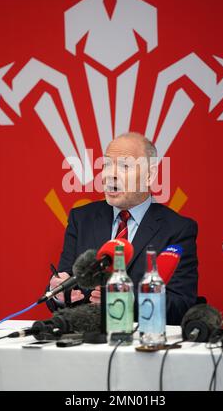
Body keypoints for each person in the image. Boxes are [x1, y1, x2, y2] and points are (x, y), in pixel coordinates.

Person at [47, 132, 198, 325]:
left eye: (124, 166)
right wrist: (59, 294)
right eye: (107, 165)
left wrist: (126, 301)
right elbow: (64, 279)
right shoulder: (82, 219)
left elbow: (181, 304)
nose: (110, 175)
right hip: (87, 341)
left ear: (150, 175)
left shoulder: (177, 229)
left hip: (141, 345)